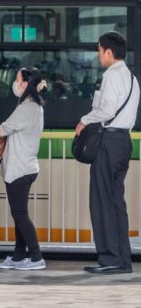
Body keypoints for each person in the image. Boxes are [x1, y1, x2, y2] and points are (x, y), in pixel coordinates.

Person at [76, 31, 138, 274]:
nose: (98, 54)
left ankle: (109, 258)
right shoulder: (132, 78)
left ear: (108, 52)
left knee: (101, 201)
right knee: (116, 202)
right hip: (124, 142)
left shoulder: (112, 75)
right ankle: (122, 259)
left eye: (99, 50)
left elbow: (107, 109)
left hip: (109, 141)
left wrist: (84, 120)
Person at [0, 67, 47, 271]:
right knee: (19, 214)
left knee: (20, 214)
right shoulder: (31, 105)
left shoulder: (28, 106)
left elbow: (3, 130)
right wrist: (2, 127)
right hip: (24, 166)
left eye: (17, 79)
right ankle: (18, 256)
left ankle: (36, 256)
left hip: (20, 168)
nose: (14, 83)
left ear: (25, 84)